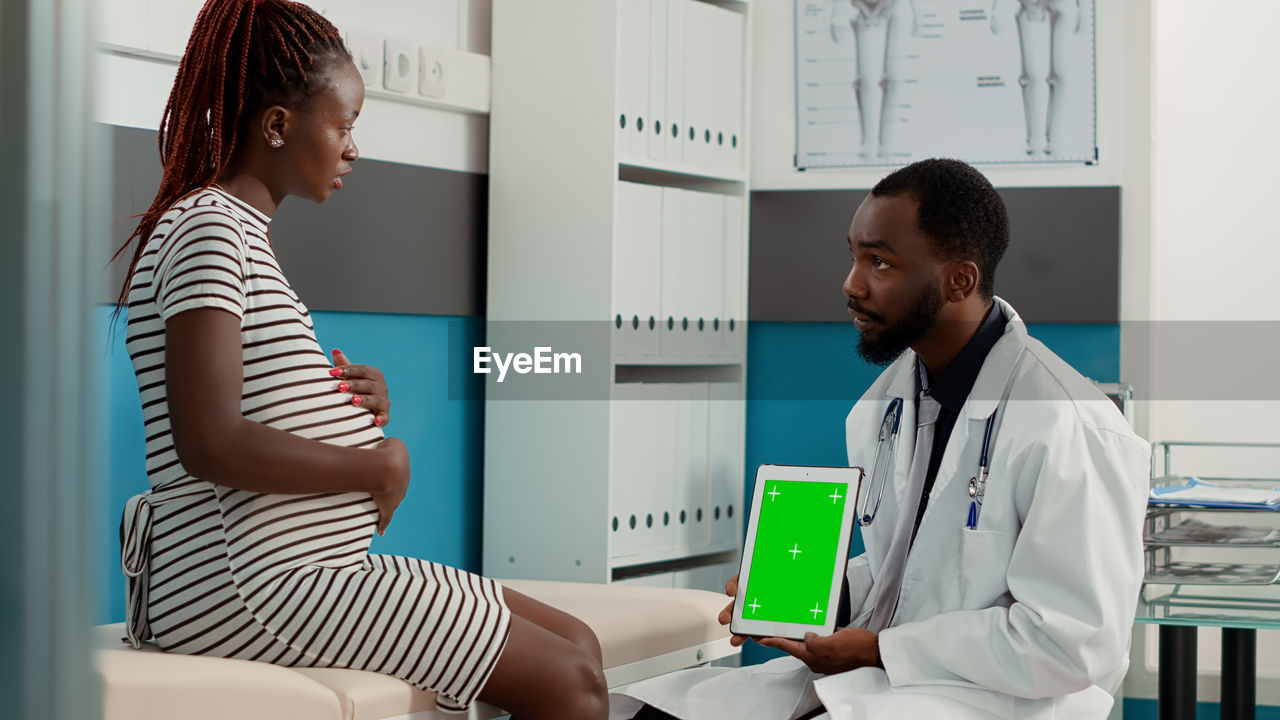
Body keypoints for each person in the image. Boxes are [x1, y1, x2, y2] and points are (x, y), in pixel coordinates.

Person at [113, 2, 607, 718]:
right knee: (573, 682)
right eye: (343, 125)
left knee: (579, 642)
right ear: (278, 125)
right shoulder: (210, 228)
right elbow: (208, 440)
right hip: (250, 588)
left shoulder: (238, 234)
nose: (353, 148)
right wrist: (375, 465)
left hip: (303, 572)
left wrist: (338, 397)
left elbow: (244, 396)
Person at [614, 158, 1149, 720]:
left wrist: (879, 649)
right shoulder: (887, 402)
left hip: (1005, 701)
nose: (851, 284)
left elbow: (1072, 644)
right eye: (853, 256)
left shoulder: (1073, 427)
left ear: (959, 280)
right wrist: (820, 593)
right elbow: (915, 568)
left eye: (879, 262)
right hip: (889, 682)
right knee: (650, 714)